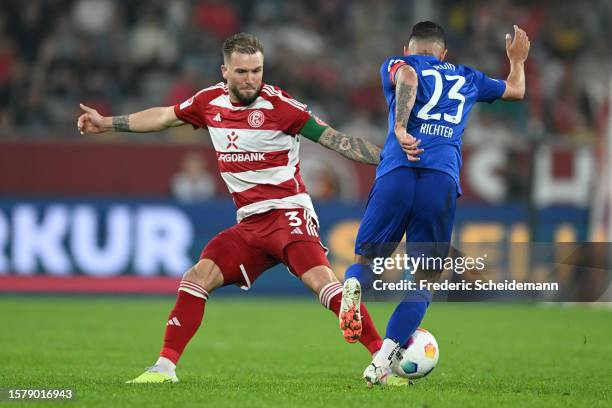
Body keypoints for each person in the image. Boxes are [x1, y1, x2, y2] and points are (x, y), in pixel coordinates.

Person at [77, 32, 384, 383]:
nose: (251, 79)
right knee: (196, 278)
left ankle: (381, 356)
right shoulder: (208, 102)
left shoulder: (282, 107)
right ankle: (163, 368)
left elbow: (338, 141)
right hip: (249, 226)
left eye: (257, 70)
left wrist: (388, 160)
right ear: (225, 71)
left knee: (322, 282)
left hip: (288, 214)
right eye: (242, 72)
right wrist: (107, 123)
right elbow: (162, 116)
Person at [340, 21, 530, 385]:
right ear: (443, 53)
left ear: (408, 48)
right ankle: (381, 362)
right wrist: (517, 60)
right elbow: (516, 91)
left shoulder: (397, 63)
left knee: (366, 260)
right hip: (440, 180)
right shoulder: (467, 76)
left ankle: (354, 285)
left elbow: (408, 76)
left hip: (397, 172)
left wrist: (399, 128)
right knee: (425, 280)